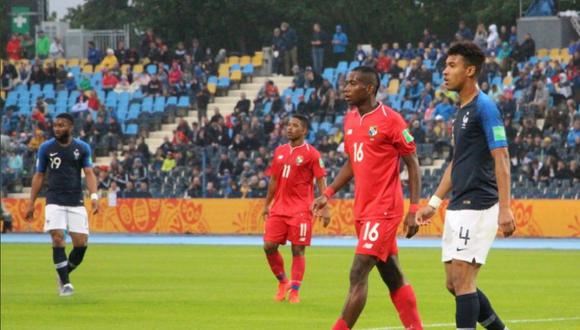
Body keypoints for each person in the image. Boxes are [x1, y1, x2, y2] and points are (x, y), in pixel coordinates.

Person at [312, 66, 423, 330]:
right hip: (363, 209)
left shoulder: (391, 119)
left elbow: (413, 164)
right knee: (392, 275)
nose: (346, 88)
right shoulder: (350, 119)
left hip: (384, 209)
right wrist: (327, 193)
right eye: (346, 83)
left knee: (358, 271)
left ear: (370, 88)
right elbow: (352, 162)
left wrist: (413, 208)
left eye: (353, 84)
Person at [415, 41, 515, 330]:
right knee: (453, 283)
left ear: (470, 70)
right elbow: (456, 162)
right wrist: (434, 203)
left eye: (452, 65)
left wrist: (505, 209)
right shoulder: (461, 111)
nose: (444, 71)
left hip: (480, 203)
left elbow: (502, 157)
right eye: (445, 65)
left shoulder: (486, 108)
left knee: (463, 277)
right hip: (459, 203)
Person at [25, 113, 99, 297]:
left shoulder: (82, 148)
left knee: (81, 245)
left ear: (70, 127)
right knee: (58, 239)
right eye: (56, 125)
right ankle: (66, 284)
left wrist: (95, 196)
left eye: (62, 125)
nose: (57, 128)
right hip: (54, 200)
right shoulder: (46, 148)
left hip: (76, 201)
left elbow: (89, 173)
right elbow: (39, 175)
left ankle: (62, 274)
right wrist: (31, 203)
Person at [263, 114, 330, 304]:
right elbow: (274, 180)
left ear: (304, 131)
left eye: (295, 125)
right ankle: (283, 282)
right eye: (288, 125)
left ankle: (294, 291)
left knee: (297, 250)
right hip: (279, 208)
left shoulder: (312, 154)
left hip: (301, 209)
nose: (289, 128)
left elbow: (321, 180)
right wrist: (267, 204)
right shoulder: (280, 151)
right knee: (268, 246)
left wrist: (325, 206)